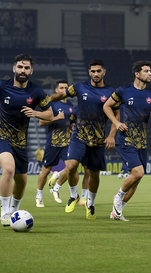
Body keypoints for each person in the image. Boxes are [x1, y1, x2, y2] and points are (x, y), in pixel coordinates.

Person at [0, 54, 53, 226]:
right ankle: (4, 214)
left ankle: (14, 212)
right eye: (20, 67)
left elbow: (50, 114)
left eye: (27, 68)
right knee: (8, 169)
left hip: (20, 142)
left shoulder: (36, 91)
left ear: (32, 71)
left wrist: (36, 113)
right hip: (0, 136)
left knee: (22, 180)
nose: (23, 70)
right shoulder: (1, 85)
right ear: (14, 68)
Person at [50, 59, 117, 219]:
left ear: (104, 72)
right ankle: (74, 196)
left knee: (93, 174)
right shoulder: (80, 87)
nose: (95, 74)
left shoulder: (111, 92)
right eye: (93, 71)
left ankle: (91, 204)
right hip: (79, 136)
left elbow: (118, 114)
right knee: (71, 166)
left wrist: (112, 135)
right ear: (89, 72)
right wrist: (47, 99)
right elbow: (61, 94)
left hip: (98, 140)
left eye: (98, 71)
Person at [104, 61, 151, 221]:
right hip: (126, 139)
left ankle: (117, 211)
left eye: (150, 71)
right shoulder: (123, 91)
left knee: (136, 180)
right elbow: (107, 106)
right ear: (137, 74)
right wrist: (116, 123)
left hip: (142, 141)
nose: (150, 73)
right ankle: (118, 197)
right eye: (147, 71)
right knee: (138, 172)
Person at [35, 79, 75, 207]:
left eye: (66, 88)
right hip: (53, 142)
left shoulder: (70, 106)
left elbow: (71, 123)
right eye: (61, 88)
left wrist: (72, 127)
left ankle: (56, 188)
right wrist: (56, 118)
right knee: (46, 170)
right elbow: (41, 122)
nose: (64, 90)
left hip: (67, 143)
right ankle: (39, 195)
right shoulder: (51, 104)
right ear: (56, 90)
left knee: (71, 168)